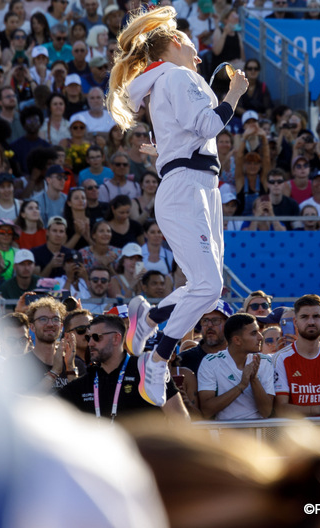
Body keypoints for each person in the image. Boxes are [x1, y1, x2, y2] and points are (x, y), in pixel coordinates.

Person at [108, 7, 249, 406]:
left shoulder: (165, 81)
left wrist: (163, 150)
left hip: (197, 184)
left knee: (208, 289)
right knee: (207, 286)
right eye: (191, 45)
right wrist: (233, 95)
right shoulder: (178, 75)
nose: (199, 55)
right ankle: (158, 354)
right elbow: (208, 126)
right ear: (174, 43)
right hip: (188, 186)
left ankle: (149, 318)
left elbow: (187, 134)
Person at [58, 314, 189, 421]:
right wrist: (56, 369)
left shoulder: (147, 370)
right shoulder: (89, 380)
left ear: (116, 338)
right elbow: (44, 408)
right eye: (88, 337)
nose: (90, 343)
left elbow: (180, 419)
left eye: (96, 337)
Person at [197, 313, 274, 420]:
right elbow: (207, 410)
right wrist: (242, 385)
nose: (260, 337)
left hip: (257, 434)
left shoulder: (265, 361)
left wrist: (254, 379)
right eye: (253, 333)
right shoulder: (210, 362)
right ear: (237, 340)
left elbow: (266, 412)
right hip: (225, 434)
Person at [179, 300, 234, 375]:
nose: (209, 325)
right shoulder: (184, 360)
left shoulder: (241, 357)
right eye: (205, 320)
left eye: (215, 320)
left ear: (228, 324)